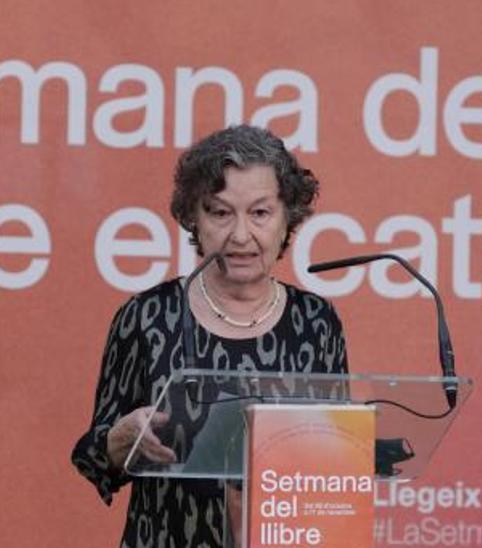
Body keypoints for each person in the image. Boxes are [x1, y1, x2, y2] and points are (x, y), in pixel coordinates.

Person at [71, 125, 349, 547]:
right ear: (194, 220)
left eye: (260, 213)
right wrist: (119, 440)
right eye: (220, 213)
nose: (240, 235)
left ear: (286, 219)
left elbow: (330, 465)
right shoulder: (147, 317)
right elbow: (93, 456)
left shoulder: (316, 321)